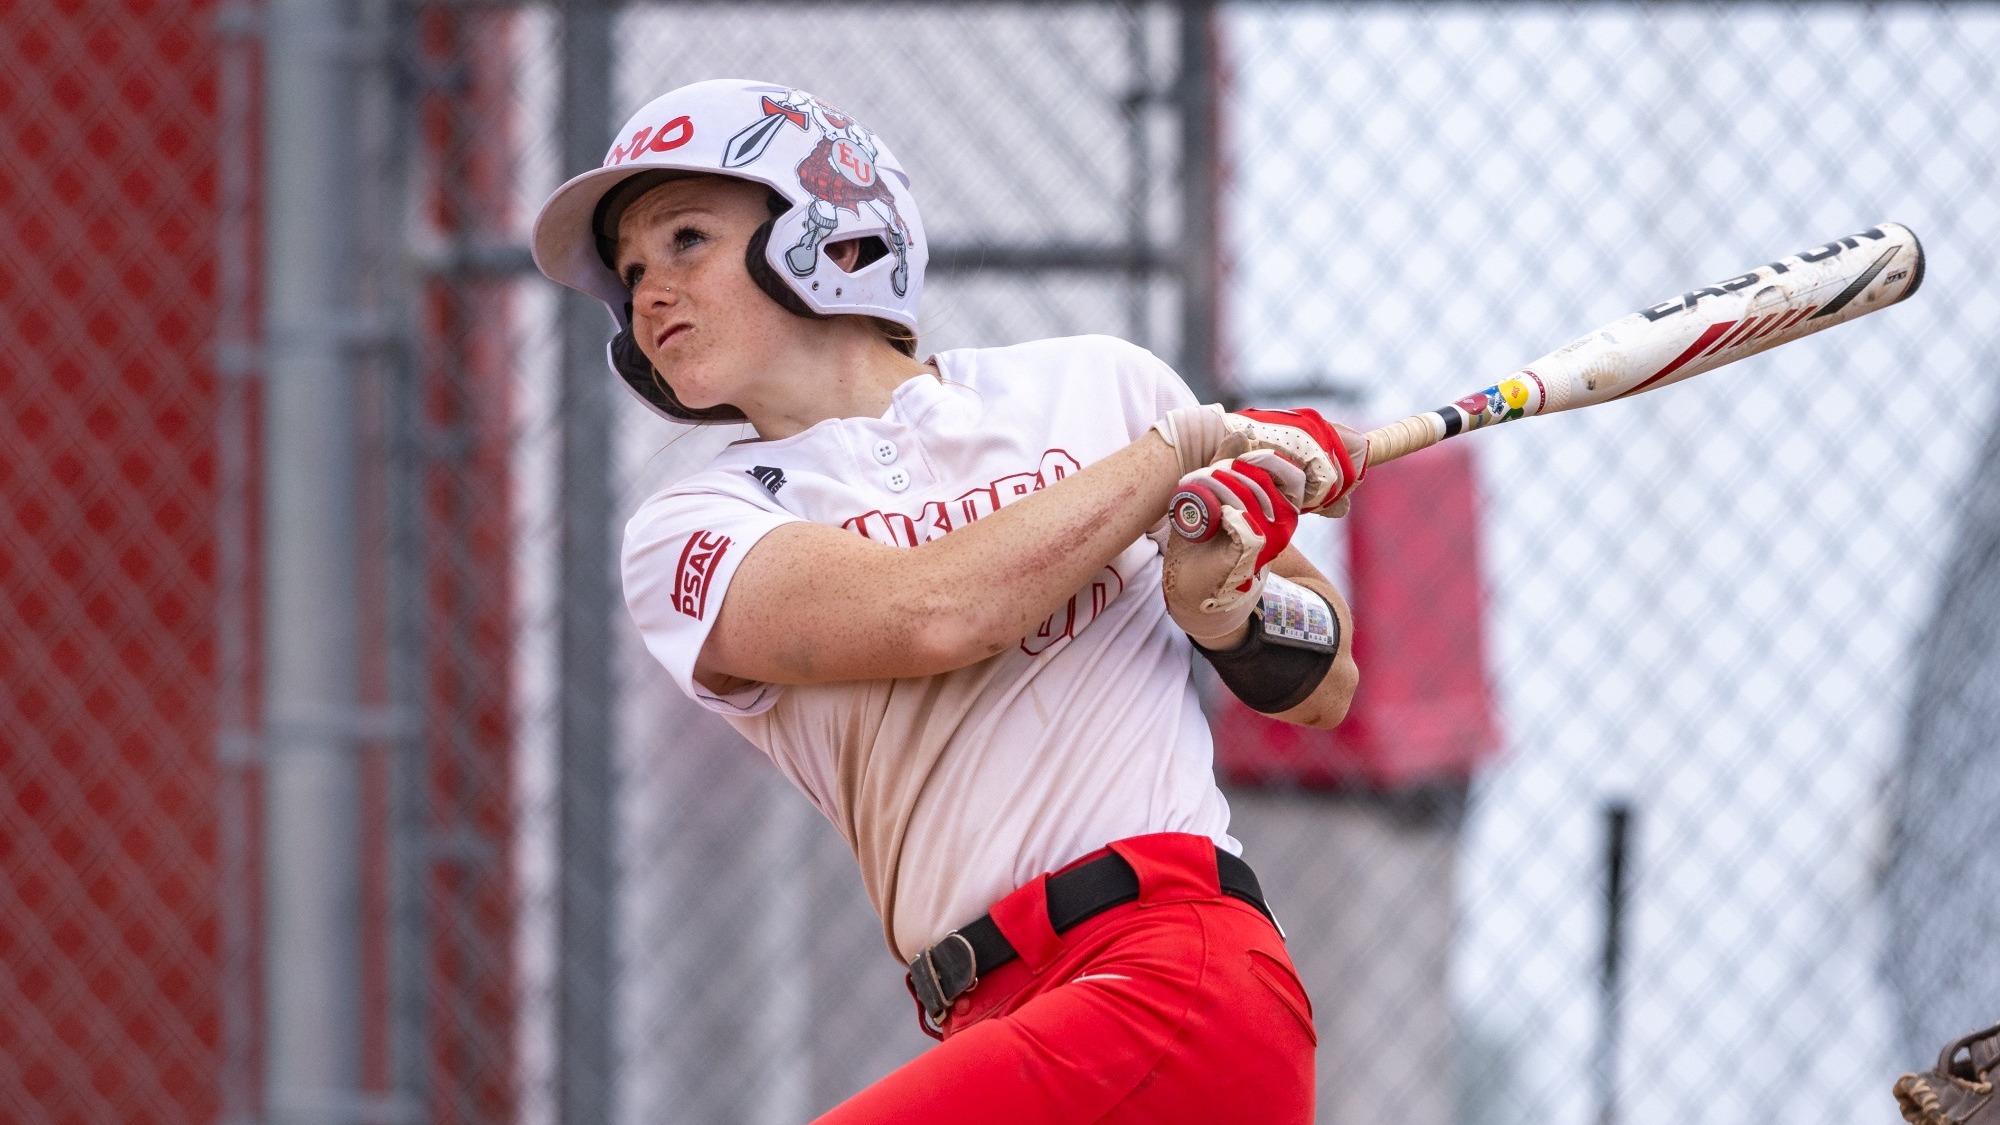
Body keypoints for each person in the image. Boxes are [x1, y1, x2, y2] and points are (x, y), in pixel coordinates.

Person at [532, 78, 1370, 1123]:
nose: (649, 291)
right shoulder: (691, 527)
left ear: (833, 237)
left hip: (1170, 968)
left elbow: (1321, 679)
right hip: (995, 1011)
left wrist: (1229, 613)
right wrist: (1168, 462)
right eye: (631, 272)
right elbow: (926, 615)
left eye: (687, 239)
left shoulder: (1096, 386)